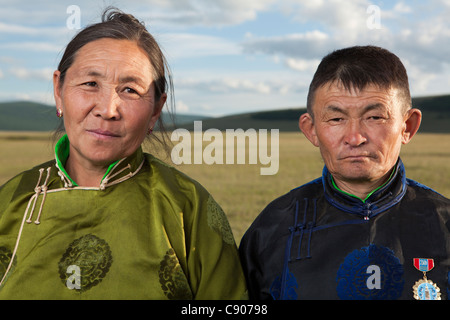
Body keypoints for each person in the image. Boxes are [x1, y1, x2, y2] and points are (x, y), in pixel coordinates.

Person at [0, 8, 246, 300]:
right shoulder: (11, 200)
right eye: (90, 84)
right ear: (59, 90)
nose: (108, 109)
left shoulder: (189, 208)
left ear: (156, 109)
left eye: (130, 89)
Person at [239, 45, 449, 300]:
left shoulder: (444, 224)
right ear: (311, 129)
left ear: (407, 126)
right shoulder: (271, 229)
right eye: (336, 119)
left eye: (374, 117)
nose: (355, 137)